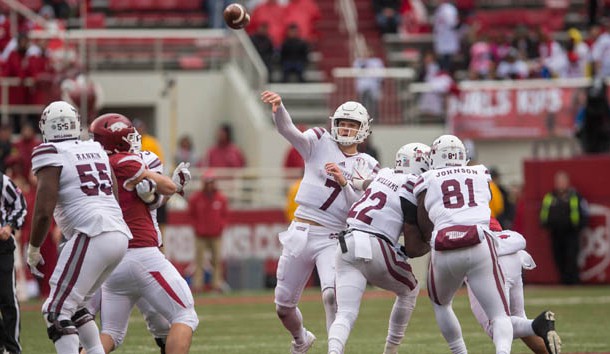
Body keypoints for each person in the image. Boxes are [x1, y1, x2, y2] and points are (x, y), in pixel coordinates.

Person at [261, 90, 379, 353]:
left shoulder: (369, 164)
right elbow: (288, 130)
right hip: (300, 230)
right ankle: (301, 340)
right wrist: (279, 108)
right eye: (342, 123)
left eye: (352, 125)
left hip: (333, 236)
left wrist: (345, 182)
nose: (346, 129)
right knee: (283, 306)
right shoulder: (318, 141)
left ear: (363, 130)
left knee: (331, 295)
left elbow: (357, 208)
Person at [26, 101, 133, 354]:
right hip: (117, 232)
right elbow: (114, 197)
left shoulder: (49, 151)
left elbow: (43, 210)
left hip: (93, 232)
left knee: (55, 311)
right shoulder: (94, 148)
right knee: (78, 307)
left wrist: (33, 247)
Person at [89, 113, 198, 354]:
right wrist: (174, 186)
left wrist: (154, 194)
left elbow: (150, 200)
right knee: (185, 315)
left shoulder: (95, 166)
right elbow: (164, 189)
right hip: (141, 252)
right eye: (128, 134)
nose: (134, 137)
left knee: (111, 335)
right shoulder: (129, 161)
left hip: (112, 260)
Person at [413, 134, 513, 354]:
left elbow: (422, 218)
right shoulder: (480, 172)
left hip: (444, 245)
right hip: (480, 241)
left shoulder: (428, 177)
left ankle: (460, 352)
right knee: (499, 315)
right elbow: (485, 201)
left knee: (441, 304)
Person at [327, 143, 430, 354]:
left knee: (345, 313)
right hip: (374, 244)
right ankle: (390, 351)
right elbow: (412, 244)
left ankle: (334, 351)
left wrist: (349, 181)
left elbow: (364, 183)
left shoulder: (384, 174)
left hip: (347, 242)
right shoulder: (413, 183)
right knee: (410, 289)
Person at [467, 219, 562, 354]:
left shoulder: (451, 213)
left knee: (496, 325)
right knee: (518, 319)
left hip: (487, 255)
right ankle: (542, 337)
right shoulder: (478, 206)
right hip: (511, 252)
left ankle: (537, 324)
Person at [539, 171, 588, 285]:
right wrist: (545, 224)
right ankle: (564, 281)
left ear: (567, 182)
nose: (560, 184)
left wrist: (579, 226)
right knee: (558, 257)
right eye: (558, 182)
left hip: (571, 232)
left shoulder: (575, 196)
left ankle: (574, 281)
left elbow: (584, 212)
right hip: (555, 232)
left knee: (571, 256)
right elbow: (544, 213)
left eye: (563, 181)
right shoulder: (550, 197)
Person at [187, 170, 229, 293]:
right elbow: (191, 214)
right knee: (199, 261)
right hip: (201, 235)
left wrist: (220, 226)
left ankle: (216, 285)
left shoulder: (221, 198)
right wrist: (197, 227)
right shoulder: (196, 198)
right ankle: (198, 286)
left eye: (211, 182)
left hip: (216, 235)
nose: (210, 185)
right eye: (207, 182)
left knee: (216, 261)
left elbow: (225, 215)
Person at [0, 172, 26, 354]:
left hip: (1, 246)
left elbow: (20, 205)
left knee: (7, 298)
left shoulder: (2, 181)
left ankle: (12, 348)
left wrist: (9, 226)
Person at [353, 46, 384, 120]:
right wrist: (363, 63)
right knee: (363, 104)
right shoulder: (358, 62)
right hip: (362, 87)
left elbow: (380, 73)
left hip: (374, 86)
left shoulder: (376, 61)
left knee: (373, 104)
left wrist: (379, 84)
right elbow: (356, 72)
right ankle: (363, 119)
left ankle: (374, 119)